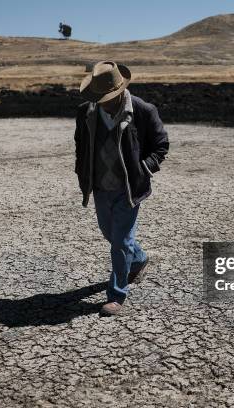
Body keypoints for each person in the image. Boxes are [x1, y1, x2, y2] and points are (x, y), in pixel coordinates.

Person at [73, 61, 169, 316]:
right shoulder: (85, 112)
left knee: (120, 242)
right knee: (111, 235)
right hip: (101, 188)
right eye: (99, 97)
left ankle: (117, 295)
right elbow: (80, 145)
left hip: (128, 189)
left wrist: (143, 169)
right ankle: (139, 259)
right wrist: (82, 173)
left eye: (107, 97)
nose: (103, 101)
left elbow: (161, 145)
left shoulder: (142, 110)